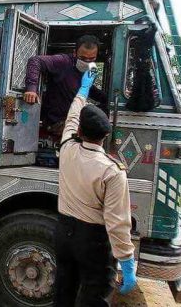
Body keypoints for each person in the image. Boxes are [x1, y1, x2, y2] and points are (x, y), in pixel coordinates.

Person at [53, 70, 137, 306]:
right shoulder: (111, 171)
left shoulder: (68, 148)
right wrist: (127, 260)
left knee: (63, 290)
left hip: (63, 233)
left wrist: (82, 90)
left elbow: (71, 116)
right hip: (92, 241)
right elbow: (117, 221)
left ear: (79, 132)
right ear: (106, 136)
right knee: (94, 294)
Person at [23, 35, 108, 139]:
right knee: (88, 138)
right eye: (82, 58)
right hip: (57, 123)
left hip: (74, 119)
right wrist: (31, 89)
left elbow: (86, 89)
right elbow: (35, 61)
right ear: (74, 53)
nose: (87, 62)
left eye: (91, 59)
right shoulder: (63, 62)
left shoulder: (91, 70)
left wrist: (107, 99)